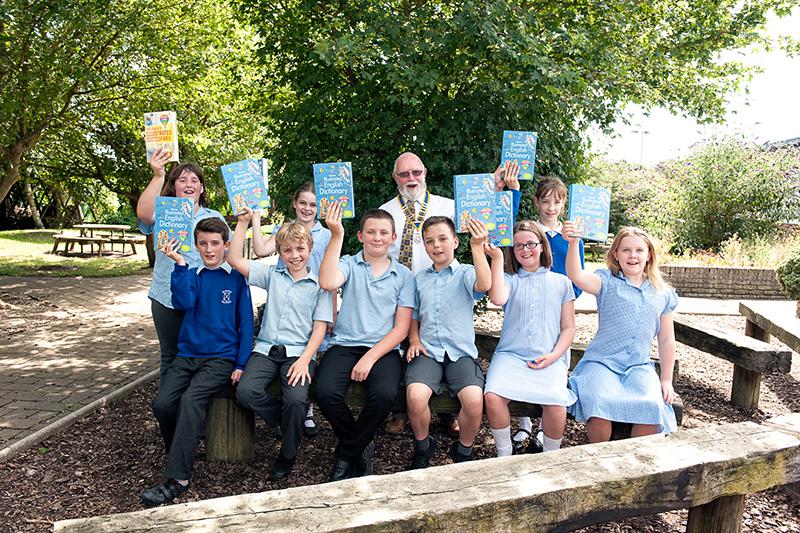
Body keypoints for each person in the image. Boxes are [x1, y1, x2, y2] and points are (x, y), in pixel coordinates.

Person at [140, 217, 253, 506]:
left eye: (215, 243)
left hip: (221, 359)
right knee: (162, 404)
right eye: (203, 243)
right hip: (188, 356)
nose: (209, 249)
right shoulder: (190, 273)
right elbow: (183, 303)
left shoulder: (236, 278)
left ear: (226, 245)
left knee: (191, 400)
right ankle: (179, 450)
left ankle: (178, 478)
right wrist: (179, 264)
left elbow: (245, 324)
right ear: (196, 245)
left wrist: (241, 363)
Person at [229, 208, 333, 481]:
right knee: (246, 391)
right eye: (287, 251)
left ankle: (287, 454)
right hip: (266, 349)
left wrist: (304, 360)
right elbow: (235, 259)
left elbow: (320, 328)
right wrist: (242, 223)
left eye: (300, 248)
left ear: (309, 248)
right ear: (280, 253)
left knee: (297, 401)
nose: (295, 255)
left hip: (299, 353)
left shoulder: (320, 284)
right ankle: (285, 423)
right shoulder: (272, 275)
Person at [316, 203, 415, 481]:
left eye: (384, 232)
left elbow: (402, 328)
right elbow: (326, 282)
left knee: (383, 396)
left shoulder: (404, 275)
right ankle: (361, 443)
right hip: (345, 345)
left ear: (393, 238)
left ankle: (347, 453)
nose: (377, 237)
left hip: (384, 349)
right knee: (324, 392)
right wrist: (336, 235)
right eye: (371, 232)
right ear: (360, 236)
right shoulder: (349, 263)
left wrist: (371, 357)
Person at [563, 224, 678, 443]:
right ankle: (599, 460)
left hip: (638, 367)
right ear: (615, 254)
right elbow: (576, 275)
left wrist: (666, 380)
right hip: (601, 364)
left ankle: (634, 465)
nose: (632, 255)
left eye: (638, 250)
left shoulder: (662, 293)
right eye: (626, 250)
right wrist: (574, 242)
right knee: (599, 408)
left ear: (649, 254)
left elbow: (666, 340)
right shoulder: (606, 281)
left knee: (651, 408)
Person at [405, 217, 492, 468]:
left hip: (460, 354)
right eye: (430, 241)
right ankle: (423, 445)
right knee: (415, 396)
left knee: (475, 399)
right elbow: (414, 314)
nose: (437, 245)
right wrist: (413, 339)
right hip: (428, 352)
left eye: (443, 239)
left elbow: (484, 285)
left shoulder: (465, 273)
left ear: (455, 241)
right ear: (424, 246)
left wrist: (477, 247)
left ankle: (463, 449)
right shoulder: (419, 279)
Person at [484, 221, 576, 457]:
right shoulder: (510, 280)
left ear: (542, 246)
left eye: (531, 244)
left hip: (549, 357)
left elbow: (568, 328)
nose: (525, 250)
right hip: (511, 357)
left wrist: (554, 356)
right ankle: (504, 454)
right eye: (518, 246)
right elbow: (497, 297)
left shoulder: (562, 283)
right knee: (493, 397)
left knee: (556, 403)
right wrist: (496, 258)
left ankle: (550, 456)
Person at [250, 182, 333, 436]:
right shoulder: (284, 230)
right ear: (295, 204)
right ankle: (291, 413)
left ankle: (304, 409)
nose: (307, 208)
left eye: (313, 205)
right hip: (286, 296)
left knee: (311, 352)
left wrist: (333, 312)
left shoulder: (326, 233)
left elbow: (331, 274)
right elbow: (261, 249)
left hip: (316, 297)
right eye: (303, 203)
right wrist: (254, 218)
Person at [136, 147, 227, 379]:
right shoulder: (164, 213)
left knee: (201, 355)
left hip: (204, 300)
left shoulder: (214, 217)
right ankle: (170, 411)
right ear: (174, 186)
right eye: (182, 179)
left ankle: (194, 408)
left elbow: (229, 255)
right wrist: (158, 175)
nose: (189, 183)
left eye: (194, 180)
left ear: (201, 188)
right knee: (171, 356)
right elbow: (144, 215)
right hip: (165, 297)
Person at [514, 176, 585, 450]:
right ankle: (522, 425)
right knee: (523, 356)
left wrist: (565, 293)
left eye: (557, 201)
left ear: (564, 203)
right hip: (529, 304)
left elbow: (577, 279)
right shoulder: (530, 234)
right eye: (545, 201)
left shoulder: (571, 236)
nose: (551, 207)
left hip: (558, 308)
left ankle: (545, 428)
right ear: (537, 202)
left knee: (555, 359)